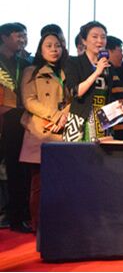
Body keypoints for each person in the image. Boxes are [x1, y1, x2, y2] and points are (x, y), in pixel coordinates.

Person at [19, 32, 70, 232]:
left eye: (57, 45)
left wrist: (64, 116)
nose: (54, 49)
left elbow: (75, 98)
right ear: (40, 49)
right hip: (40, 129)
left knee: (63, 181)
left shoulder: (67, 70)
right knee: (39, 183)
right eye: (48, 46)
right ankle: (38, 226)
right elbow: (29, 101)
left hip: (64, 129)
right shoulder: (31, 71)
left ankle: (59, 224)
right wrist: (54, 116)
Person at [63, 21, 123, 142]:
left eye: (103, 37)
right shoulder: (74, 62)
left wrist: (117, 109)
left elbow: (110, 96)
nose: (100, 41)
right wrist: (97, 71)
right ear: (84, 41)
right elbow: (76, 92)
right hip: (81, 120)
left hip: (103, 121)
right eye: (95, 37)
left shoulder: (108, 67)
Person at [0, 22, 32, 232]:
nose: (22, 39)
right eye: (18, 36)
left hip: (17, 121)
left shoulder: (25, 63)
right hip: (3, 118)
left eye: (24, 36)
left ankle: (17, 217)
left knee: (17, 170)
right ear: (4, 38)